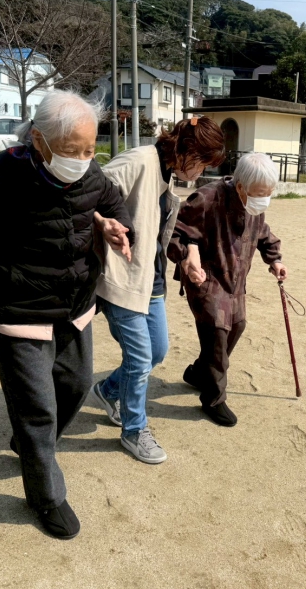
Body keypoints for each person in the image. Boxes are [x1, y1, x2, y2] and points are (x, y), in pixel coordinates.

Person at [0, 91, 134, 540]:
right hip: (18, 311)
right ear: (38, 140)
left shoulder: (90, 171)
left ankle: (29, 444)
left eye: (90, 149)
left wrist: (115, 225)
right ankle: (46, 496)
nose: (83, 159)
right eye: (73, 150)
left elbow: (112, 201)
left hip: (75, 305)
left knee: (76, 385)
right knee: (37, 410)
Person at [91, 116, 226, 462]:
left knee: (156, 352)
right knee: (139, 360)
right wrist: (103, 223)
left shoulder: (168, 174)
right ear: (187, 150)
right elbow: (88, 191)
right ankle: (134, 430)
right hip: (122, 278)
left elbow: (168, 230)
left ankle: (108, 390)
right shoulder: (139, 160)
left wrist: (189, 255)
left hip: (151, 279)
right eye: (202, 163)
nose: (201, 173)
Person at [167, 152, 287, 427]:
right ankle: (213, 398)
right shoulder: (206, 198)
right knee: (217, 334)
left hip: (235, 280)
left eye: (269, 193)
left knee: (237, 325)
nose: (264, 199)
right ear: (241, 186)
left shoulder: (253, 205)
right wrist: (186, 255)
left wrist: (275, 260)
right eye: (260, 193)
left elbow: (263, 234)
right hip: (206, 278)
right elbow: (175, 232)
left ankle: (199, 372)